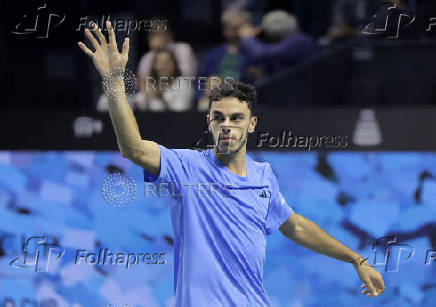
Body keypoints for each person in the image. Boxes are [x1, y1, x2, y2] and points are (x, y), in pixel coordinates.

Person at [78, 21, 386, 306]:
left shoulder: (263, 175)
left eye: (236, 118)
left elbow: (295, 225)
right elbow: (133, 148)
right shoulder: (185, 166)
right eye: (219, 117)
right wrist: (114, 81)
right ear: (208, 122)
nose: (227, 125)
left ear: (251, 124)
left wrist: (356, 260)